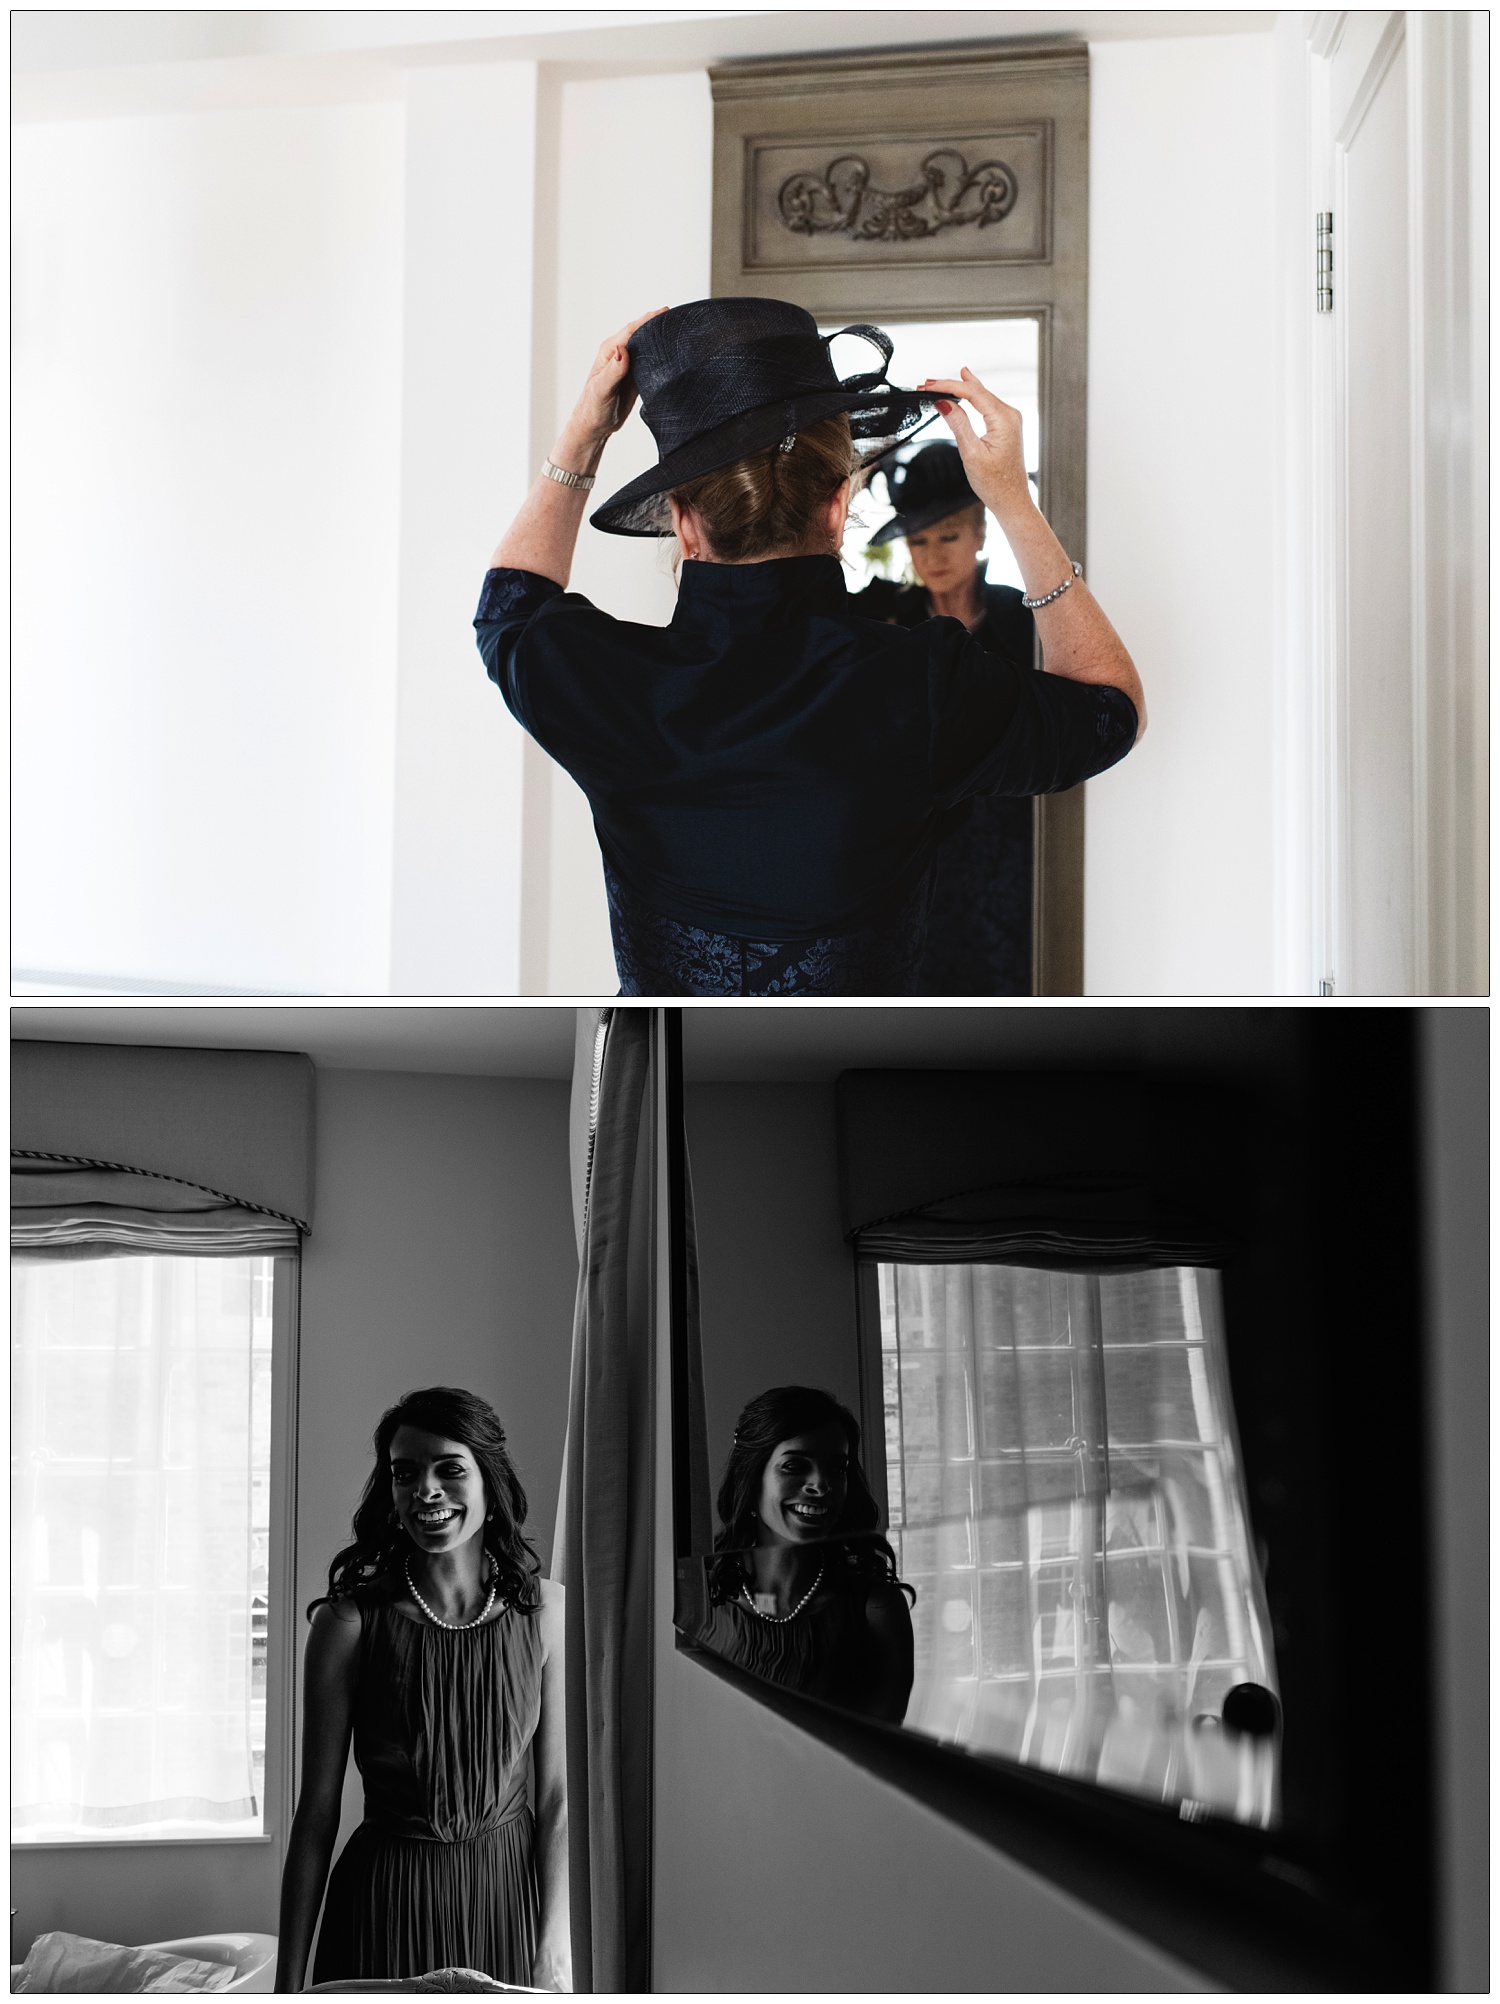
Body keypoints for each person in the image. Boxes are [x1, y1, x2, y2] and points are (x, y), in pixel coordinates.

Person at [475, 296, 1145, 997]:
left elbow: (506, 610)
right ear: (836, 505)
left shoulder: (600, 684)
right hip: (847, 1097)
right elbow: (1111, 710)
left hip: (655, 1093)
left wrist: (580, 440)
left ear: (683, 524)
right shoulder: (922, 683)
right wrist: (1012, 501)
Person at [274, 1388, 569, 1993]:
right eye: (404, 1475)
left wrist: (554, 1948)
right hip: (384, 1908)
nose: (425, 1490)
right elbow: (316, 1814)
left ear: (490, 1484)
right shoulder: (347, 1624)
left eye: (449, 1469)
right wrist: (287, 1983)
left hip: (508, 1903)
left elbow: (559, 1799)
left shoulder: (547, 1613)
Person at [856, 441, 1039, 995]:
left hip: (1006, 847)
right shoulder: (880, 621)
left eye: (949, 536)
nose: (933, 555)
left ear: (981, 534)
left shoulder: (1022, 624)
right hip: (910, 846)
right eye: (918, 540)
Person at [693, 1385, 914, 1724]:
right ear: (752, 1479)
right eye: (795, 1466)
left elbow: (875, 1757)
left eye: (836, 1469)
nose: (821, 1485)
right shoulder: (696, 1594)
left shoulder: (877, 1610)